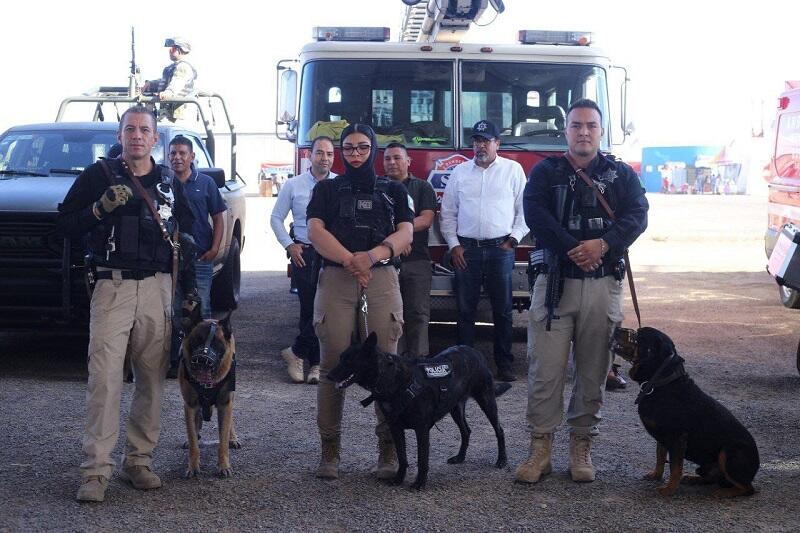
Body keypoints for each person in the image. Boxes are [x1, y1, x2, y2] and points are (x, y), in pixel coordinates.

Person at [58, 106, 195, 502]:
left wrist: (188, 293)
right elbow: (64, 225)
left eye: (144, 130)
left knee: (151, 379)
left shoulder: (170, 181)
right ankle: (96, 472)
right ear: (119, 136)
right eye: (129, 129)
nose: (136, 136)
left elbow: (185, 238)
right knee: (104, 379)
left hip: (158, 288)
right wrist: (99, 208)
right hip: (112, 286)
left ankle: (139, 461)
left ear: (156, 139)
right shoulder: (97, 177)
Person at [516, 98, 648, 484]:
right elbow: (534, 213)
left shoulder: (621, 175)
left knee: (593, 372)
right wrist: (573, 246)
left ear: (601, 131)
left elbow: (637, 215)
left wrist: (603, 245)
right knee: (545, 372)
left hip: (603, 285)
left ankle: (581, 446)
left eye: (591, 125)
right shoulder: (545, 173)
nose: (584, 132)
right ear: (566, 131)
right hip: (555, 284)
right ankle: (540, 450)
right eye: (577, 126)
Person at [306, 124, 413, 480]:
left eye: (362, 147)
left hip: (380, 280)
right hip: (337, 278)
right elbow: (316, 231)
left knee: (388, 367)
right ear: (340, 151)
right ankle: (329, 452)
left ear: (374, 149)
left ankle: (387, 451)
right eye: (348, 148)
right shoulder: (326, 189)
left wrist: (373, 256)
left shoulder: (394, 190)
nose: (355, 154)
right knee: (332, 367)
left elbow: (406, 231)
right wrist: (353, 260)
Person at [439, 120, 528, 382]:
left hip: (501, 250)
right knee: (465, 311)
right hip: (467, 252)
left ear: (497, 144)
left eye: (486, 140)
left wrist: (513, 240)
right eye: (477, 140)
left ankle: (504, 364)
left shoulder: (513, 171)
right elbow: (448, 213)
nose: (480, 145)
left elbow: (525, 210)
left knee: (503, 311)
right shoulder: (459, 173)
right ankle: (464, 366)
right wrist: (454, 246)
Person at [270, 136, 336, 384]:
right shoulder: (293, 185)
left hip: (330, 254)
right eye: (320, 153)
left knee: (326, 309)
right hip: (304, 254)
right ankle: (308, 363)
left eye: (329, 154)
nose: (325, 158)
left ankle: (302, 355)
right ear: (310, 155)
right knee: (308, 309)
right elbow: (276, 218)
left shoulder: (339, 184)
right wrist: (290, 245)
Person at [166, 135, 227, 378]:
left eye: (182, 153)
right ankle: (175, 361)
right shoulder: (163, 183)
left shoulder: (206, 183)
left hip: (200, 257)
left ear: (192, 156)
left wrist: (215, 248)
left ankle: (206, 361)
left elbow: (219, 216)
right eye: (172, 153)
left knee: (200, 308)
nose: (177, 157)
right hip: (171, 260)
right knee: (172, 309)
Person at [383, 142, 437, 358]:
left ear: (408, 161)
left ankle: (419, 361)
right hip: (385, 262)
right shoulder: (378, 186)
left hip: (417, 260)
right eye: (387, 158)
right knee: (390, 314)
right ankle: (394, 360)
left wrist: (402, 235)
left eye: (397, 157)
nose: (392, 162)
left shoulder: (422, 187)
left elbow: (426, 219)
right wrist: (397, 241)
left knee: (418, 313)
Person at [143, 37, 197, 122]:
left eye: (172, 49)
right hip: (170, 112)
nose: (170, 51)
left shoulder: (183, 67)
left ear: (181, 50)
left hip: (178, 114)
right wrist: (151, 84)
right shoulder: (174, 67)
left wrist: (169, 92)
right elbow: (166, 81)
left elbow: (178, 82)